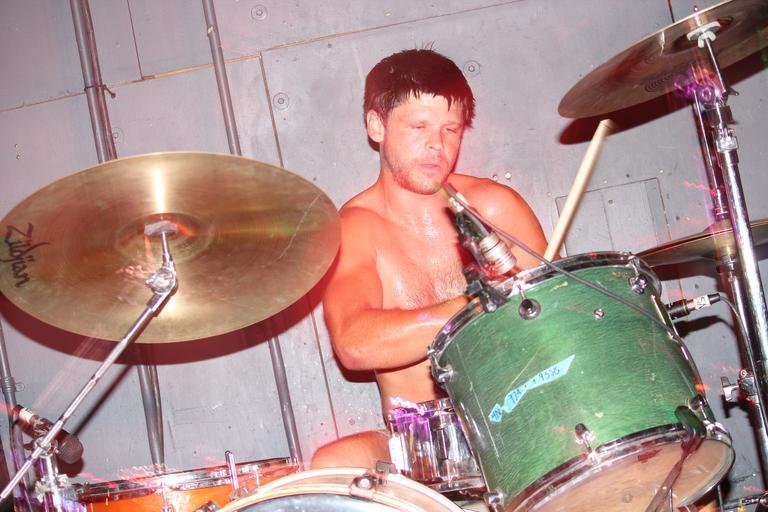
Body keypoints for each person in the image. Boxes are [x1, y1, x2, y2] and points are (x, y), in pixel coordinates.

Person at [311, 48, 548, 469]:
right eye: (419, 126)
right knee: (332, 462)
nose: (437, 145)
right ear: (376, 125)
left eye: (450, 129)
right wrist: (477, 307)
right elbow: (353, 343)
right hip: (421, 449)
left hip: (520, 426)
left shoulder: (496, 208)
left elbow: (561, 323)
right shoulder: (354, 229)